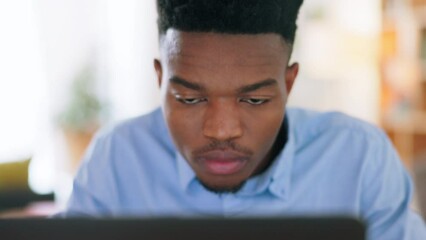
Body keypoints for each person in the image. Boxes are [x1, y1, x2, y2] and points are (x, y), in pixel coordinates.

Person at [61, 0, 426, 239]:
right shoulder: (115, 158)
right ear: (160, 80)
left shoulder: (361, 157)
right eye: (189, 98)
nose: (222, 130)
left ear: (289, 83)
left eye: (255, 99)